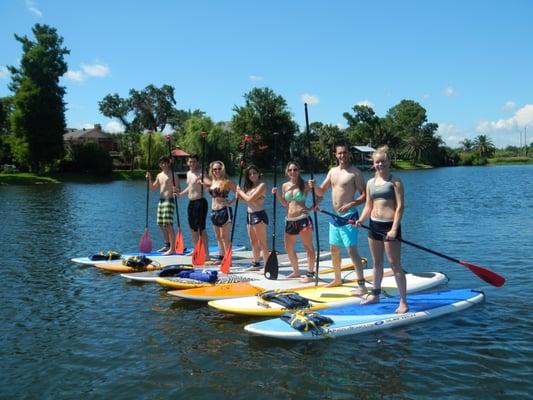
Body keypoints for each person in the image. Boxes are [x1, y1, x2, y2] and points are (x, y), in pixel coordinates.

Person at [354, 145, 408, 313]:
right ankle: (375, 295)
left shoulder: (395, 181)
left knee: (394, 264)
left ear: (388, 161)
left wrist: (393, 229)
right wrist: (361, 220)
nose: (380, 164)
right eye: (377, 162)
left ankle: (403, 302)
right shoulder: (370, 183)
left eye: (383, 161)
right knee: (377, 263)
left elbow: (400, 207)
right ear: (373, 164)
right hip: (374, 225)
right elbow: (368, 205)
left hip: (389, 226)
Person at [311, 143, 367, 294]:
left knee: (351, 251)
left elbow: (365, 196)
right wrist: (313, 186)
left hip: (349, 216)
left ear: (348, 154)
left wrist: (351, 204)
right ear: (335, 155)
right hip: (334, 216)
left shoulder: (355, 173)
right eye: (339, 153)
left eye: (344, 152)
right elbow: (321, 192)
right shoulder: (332, 172)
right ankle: (337, 279)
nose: (342, 155)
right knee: (334, 249)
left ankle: (361, 285)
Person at [272, 161, 315, 283]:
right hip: (290, 220)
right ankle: (296, 271)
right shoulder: (285, 185)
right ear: (287, 172)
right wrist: (277, 195)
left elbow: (320, 195)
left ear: (299, 171)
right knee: (288, 247)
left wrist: (311, 207)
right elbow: (285, 204)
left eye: (295, 169)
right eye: (290, 170)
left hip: (303, 218)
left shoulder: (305, 184)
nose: (293, 172)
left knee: (308, 247)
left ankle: (310, 274)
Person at [236, 165, 269, 271]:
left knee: (262, 242)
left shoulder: (262, 185)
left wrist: (240, 192)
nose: (252, 175)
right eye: (250, 174)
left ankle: (267, 266)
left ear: (258, 174)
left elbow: (250, 199)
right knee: (253, 241)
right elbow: (247, 201)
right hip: (249, 215)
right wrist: (239, 197)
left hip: (258, 215)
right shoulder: (250, 187)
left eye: (254, 173)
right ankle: (256, 263)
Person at [201, 161, 237, 260]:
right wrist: (204, 186)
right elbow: (213, 195)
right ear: (212, 171)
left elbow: (239, 192)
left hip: (224, 211)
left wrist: (230, 203)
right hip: (214, 211)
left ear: (223, 169)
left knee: (224, 237)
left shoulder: (227, 182)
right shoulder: (212, 182)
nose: (217, 171)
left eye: (219, 169)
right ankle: (222, 257)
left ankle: (228, 259)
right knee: (218, 237)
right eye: (215, 169)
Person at [146, 155, 180, 255]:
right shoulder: (159, 175)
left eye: (165, 163)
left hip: (169, 201)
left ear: (169, 163)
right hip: (161, 202)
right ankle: (167, 245)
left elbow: (178, 189)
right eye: (161, 163)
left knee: (168, 225)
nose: (163, 164)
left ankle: (172, 249)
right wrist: (149, 179)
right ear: (159, 165)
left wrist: (176, 190)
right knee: (161, 224)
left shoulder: (174, 175)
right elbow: (152, 188)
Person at [178, 155, 208, 253]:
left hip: (200, 202)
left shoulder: (202, 173)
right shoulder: (188, 173)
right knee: (192, 229)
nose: (192, 163)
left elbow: (209, 184)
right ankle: (197, 250)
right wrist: (181, 193)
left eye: (194, 162)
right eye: (190, 162)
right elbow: (190, 187)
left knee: (201, 229)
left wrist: (203, 180)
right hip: (191, 203)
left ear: (197, 162)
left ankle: (206, 253)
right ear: (187, 163)